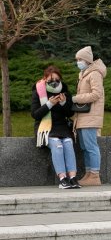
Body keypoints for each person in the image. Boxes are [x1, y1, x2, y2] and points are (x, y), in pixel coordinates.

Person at [31, 66, 79, 189]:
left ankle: (72, 178)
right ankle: (63, 178)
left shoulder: (64, 91)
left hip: (62, 127)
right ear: (45, 79)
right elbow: (35, 115)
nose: (54, 82)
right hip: (45, 128)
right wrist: (49, 104)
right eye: (51, 80)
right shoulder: (38, 91)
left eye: (57, 80)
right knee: (57, 145)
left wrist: (63, 103)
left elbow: (70, 113)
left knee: (68, 143)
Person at [72, 46, 106, 186]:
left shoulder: (94, 74)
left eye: (80, 59)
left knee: (91, 146)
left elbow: (96, 94)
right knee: (85, 147)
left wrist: (75, 98)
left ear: (86, 60)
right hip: (83, 117)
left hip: (90, 116)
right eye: (77, 59)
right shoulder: (84, 73)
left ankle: (95, 175)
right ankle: (88, 174)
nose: (78, 61)